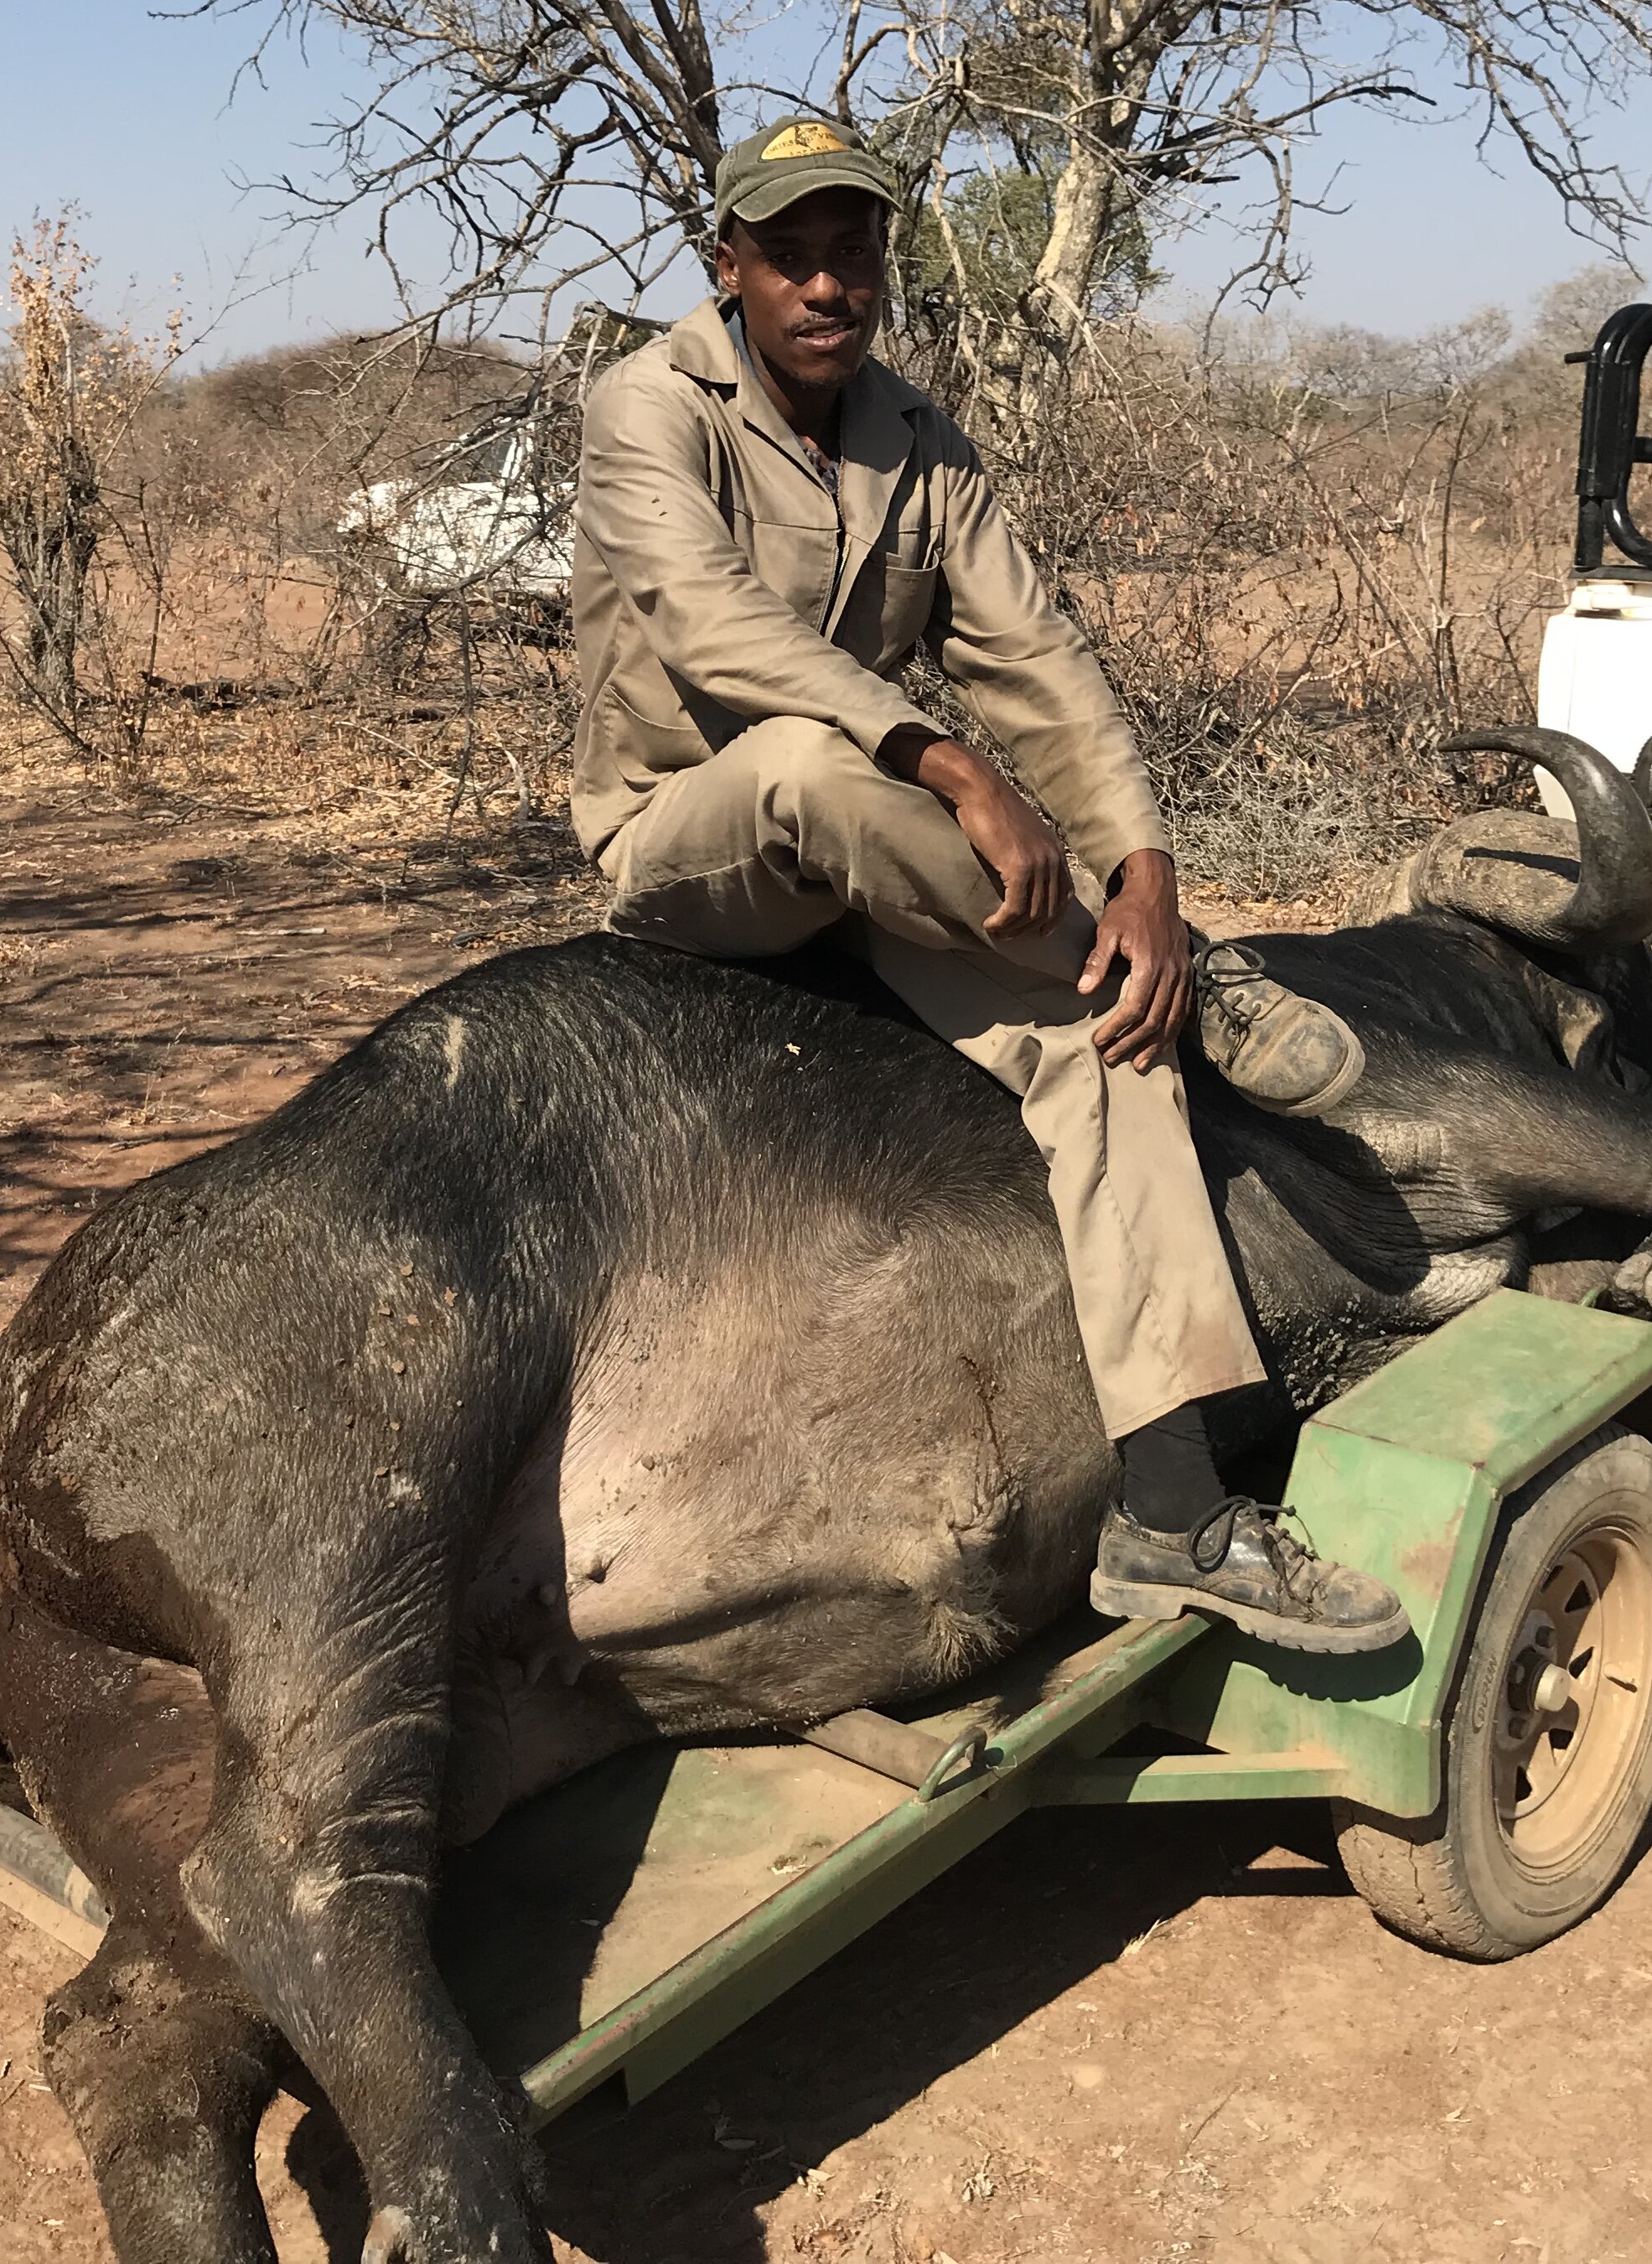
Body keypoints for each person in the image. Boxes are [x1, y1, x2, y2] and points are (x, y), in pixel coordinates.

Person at [569, 117, 1403, 1650]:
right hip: (698, 837)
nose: (827, 284)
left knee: (1115, 1030)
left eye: (853, 251)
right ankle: (1170, 962)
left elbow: (1037, 659)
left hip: (879, 855)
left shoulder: (916, 433)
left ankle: (1175, 1506)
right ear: (728, 265)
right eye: (791, 254)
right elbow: (704, 627)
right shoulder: (645, 408)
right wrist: (950, 764)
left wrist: (1146, 878)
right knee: (810, 769)